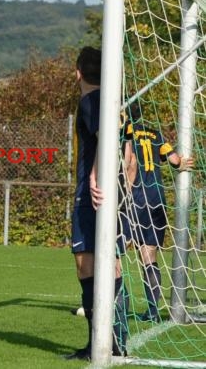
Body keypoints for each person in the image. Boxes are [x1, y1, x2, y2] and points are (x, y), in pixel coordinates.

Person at [67, 47, 128, 360]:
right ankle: (115, 341)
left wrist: (93, 175)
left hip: (92, 195)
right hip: (115, 192)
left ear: (78, 72)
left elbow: (106, 136)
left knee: (86, 265)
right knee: (112, 264)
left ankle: (99, 345)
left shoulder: (91, 101)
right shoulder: (113, 103)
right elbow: (124, 145)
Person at [125, 104, 193, 322]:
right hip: (157, 199)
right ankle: (153, 310)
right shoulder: (154, 133)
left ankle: (113, 304)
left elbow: (129, 163)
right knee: (149, 254)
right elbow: (174, 161)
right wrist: (183, 162)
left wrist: (124, 192)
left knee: (113, 250)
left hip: (135, 197)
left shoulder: (124, 131)